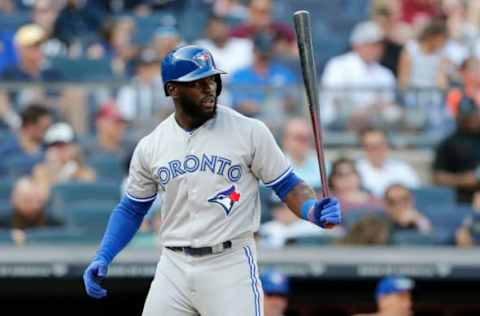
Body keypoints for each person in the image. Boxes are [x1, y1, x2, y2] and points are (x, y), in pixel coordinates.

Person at [83, 45, 342, 316]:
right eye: (198, 83)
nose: (209, 88)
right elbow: (132, 208)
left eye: (212, 80)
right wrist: (105, 254)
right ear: (172, 89)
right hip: (173, 265)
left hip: (229, 264)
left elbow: (287, 184)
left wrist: (311, 210)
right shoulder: (151, 145)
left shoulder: (249, 130)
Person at [320, 20, 398, 130]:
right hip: (338, 123)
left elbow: (388, 103)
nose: (378, 49)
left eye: (379, 45)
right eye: (372, 44)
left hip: (375, 123)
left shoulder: (385, 73)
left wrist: (371, 109)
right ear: (356, 45)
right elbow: (336, 100)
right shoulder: (338, 64)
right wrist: (366, 108)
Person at [432, 97, 480, 203]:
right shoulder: (448, 143)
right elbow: (438, 177)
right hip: (465, 197)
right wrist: (465, 179)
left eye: (474, 115)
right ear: (458, 117)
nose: (471, 119)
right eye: (466, 116)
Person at [32, 122, 96, 201]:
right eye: (53, 146)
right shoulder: (41, 170)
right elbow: (43, 197)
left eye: (62, 145)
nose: (58, 150)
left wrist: (72, 172)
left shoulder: (84, 171)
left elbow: (88, 194)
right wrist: (54, 171)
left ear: (73, 147)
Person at [356, 128, 421, 197]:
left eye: (380, 145)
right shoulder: (356, 170)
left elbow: (416, 194)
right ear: (364, 148)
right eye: (370, 146)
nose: (376, 150)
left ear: (387, 146)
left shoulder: (402, 168)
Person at [0, 104, 52, 177]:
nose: (47, 132)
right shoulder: (6, 147)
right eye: (44, 128)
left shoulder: (48, 147)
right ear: (30, 126)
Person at [9, 176, 60, 245]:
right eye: (26, 199)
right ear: (14, 199)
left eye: (34, 198)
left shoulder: (55, 224)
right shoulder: (3, 224)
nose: (31, 204)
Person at [282, 117, 323, 190]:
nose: (303, 142)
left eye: (306, 138)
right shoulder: (274, 169)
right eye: (298, 138)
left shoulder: (323, 167)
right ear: (285, 140)